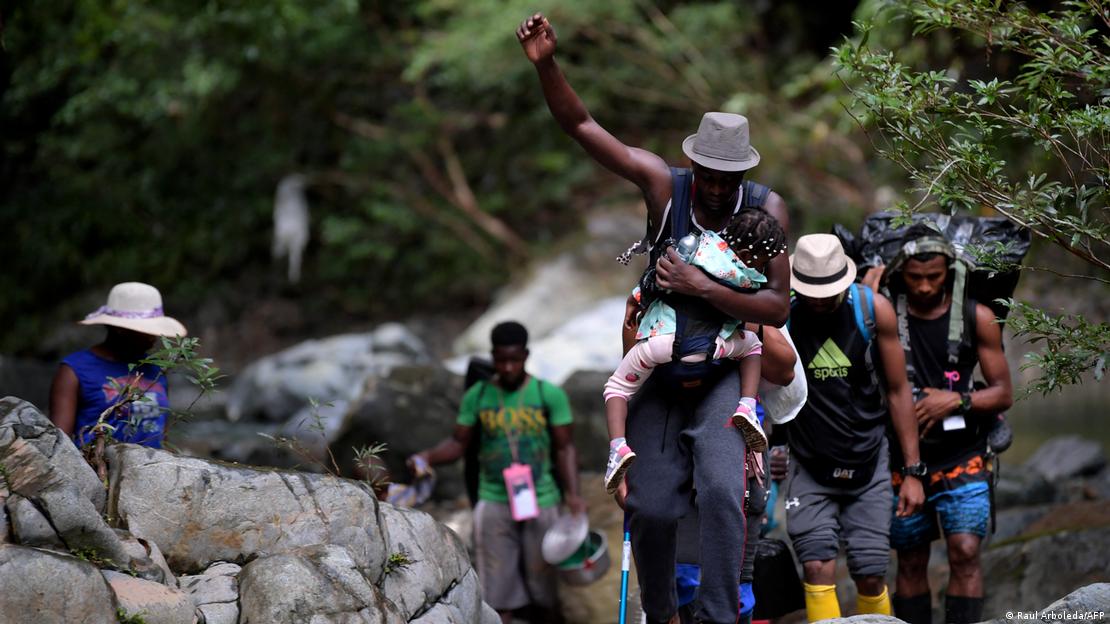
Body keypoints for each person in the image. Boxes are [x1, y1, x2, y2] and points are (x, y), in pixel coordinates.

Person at [518, 14, 790, 624]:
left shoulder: (767, 208)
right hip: (659, 367)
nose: (718, 189)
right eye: (710, 176)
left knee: (723, 492)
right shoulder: (665, 188)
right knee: (652, 506)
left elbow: (777, 307)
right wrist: (546, 65)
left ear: (744, 172)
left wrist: (703, 286)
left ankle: (720, 616)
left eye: (731, 178)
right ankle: (664, 614)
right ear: (697, 165)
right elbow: (583, 125)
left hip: (724, 367)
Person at [781, 234, 925, 622]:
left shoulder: (872, 310)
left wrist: (912, 471)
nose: (821, 299)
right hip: (808, 462)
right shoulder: (783, 316)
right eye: (812, 291)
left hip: (868, 460)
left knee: (871, 571)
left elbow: (898, 391)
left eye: (829, 291)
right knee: (816, 566)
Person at [880, 224, 1013, 624]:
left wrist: (956, 400)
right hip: (901, 461)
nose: (923, 287)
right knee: (911, 557)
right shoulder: (884, 313)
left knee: (966, 552)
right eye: (915, 277)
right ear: (900, 272)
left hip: (964, 454)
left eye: (934, 277)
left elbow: (1003, 393)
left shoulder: (978, 316)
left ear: (951, 271)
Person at [603, 208, 789, 493]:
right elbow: (765, 308)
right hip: (714, 346)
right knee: (752, 347)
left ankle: (617, 447)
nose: (761, 267)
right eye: (762, 261)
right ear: (751, 256)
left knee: (616, 388)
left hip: (660, 342)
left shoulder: (693, 246)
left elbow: (655, 278)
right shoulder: (747, 277)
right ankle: (747, 406)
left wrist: (635, 300)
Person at [409, 321, 584, 624]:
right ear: (492, 356)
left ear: (526, 355)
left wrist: (574, 496)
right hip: (494, 500)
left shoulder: (548, 394)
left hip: (542, 499)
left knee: (545, 590)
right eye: (501, 360)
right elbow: (457, 443)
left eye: (514, 360)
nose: (507, 367)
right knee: (496, 596)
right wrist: (428, 457)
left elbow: (565, 449)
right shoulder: (477, 396)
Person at [49, 282, 187, 449]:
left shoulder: (156, 369)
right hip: (96, 470)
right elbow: (59, 445)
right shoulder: (74, 371)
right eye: (146, 330)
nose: (154, 337)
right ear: (120, 329)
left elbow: (161, 434)